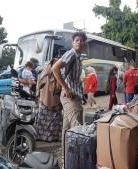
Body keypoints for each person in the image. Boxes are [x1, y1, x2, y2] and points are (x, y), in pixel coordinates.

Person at [51, 31, 87, 165]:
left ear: (84, 44)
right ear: (73, 42)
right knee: (77, 128)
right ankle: (78, 161)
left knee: (67, 129)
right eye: (77, 40)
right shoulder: (71, 53)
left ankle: (66, 161)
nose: (79, 42)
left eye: (81, 41)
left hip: (75, 95)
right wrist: (66, 88)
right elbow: (55, 68)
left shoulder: (78, 56)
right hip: (70, 96)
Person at [35, 58, 62, 142]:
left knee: (43, 119)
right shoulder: (58, 73)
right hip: (56, 100)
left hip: (44, 100)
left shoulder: (43, 73)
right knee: (55, 119)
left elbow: (38, 86)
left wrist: (38, 95)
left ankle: (41, 136)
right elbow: (59, 87)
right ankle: (53, 137)